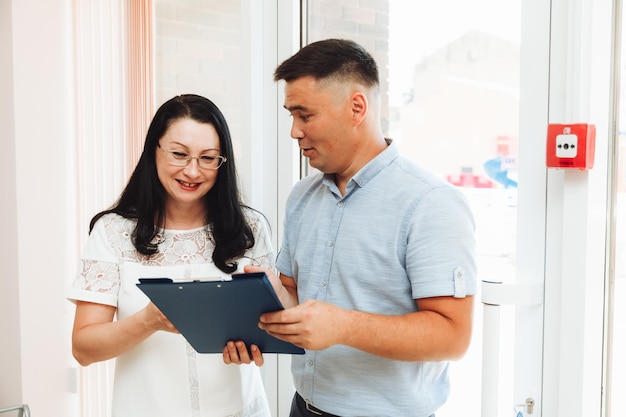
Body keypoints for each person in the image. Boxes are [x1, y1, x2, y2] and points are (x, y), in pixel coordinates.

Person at [238, 39, 477, 417]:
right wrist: (264, 307)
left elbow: (453, 336)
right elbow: (295, 299)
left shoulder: (430, 202)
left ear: (356, 108)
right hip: (303, 408)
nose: (294, 132)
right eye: (291, 116)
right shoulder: (302, 196)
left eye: (305, 115)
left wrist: (343, 326)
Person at [68, 94, 274, 417]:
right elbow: (83, 348)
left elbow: (269, 324)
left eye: (208, 158)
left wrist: (256, 345)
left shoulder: (251, 229)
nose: (192, 171)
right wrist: (148, 321)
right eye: (179, 154)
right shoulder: (113, 232)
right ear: (155, 151)